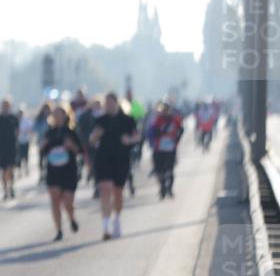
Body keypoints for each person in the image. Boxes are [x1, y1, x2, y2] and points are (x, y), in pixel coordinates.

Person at [90, 92, 140, 241]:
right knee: (105, 189)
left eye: (111, 103)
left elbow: (137, 136)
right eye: (106, 103)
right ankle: (105, 227)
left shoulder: (127, 120)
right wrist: (95, 136)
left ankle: (117, 219)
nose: (108, 106)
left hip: (121, 158)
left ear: (116, 103)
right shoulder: (99, 120)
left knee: (118, 192)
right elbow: (91, 141)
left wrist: (129, 140)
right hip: (103, 158)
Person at [41, 104, 82, 241]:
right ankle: (58, 230)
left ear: (65, 116)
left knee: (67, 201)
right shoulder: (49, 133)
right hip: (53, 170)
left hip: (68, 170)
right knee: (55, 201)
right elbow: (42, 151)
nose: (57, 118)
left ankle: (71, 218)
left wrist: (71, 146)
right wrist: (43, 145)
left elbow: (80, 150)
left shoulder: (71, 132)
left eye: (60, 115)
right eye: (55, 115)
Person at [149, 101, 184, 199]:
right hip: (159, 148)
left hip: (170, 148)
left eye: (166, 110)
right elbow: (153, 131)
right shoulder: (158, 120)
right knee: (159, 170)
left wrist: (176, 140)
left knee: (170, 170)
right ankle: (163, 188)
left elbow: (181, 129)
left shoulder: (175, 120)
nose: (165, 111)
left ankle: (170, 189)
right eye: (163, 109)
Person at [0, 98, 20, 200]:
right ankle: (5, 189)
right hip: (1, 147)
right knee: (3, 170)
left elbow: (17, 131)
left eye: (7, 105)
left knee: (10, 168)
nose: (5, 107)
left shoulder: (14, 118)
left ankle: (11, 186)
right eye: (4, 105)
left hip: (11, 146)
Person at [32, 102, 52, 183]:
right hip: (41, 141)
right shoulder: (39, 119)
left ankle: (47, 174)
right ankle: (41, 174)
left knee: (48, 159)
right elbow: (35, 129)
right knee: (41, 159)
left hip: (50, 143)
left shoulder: (52, 118)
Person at [17, 107, 33, 176]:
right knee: (19, 156)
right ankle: (20, 170)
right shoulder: (16, 120)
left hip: (25, 140)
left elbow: (30, 128)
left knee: (26, 156)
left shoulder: (26, 120)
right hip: (19, 141)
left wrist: (26, 131)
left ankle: (26, 168)